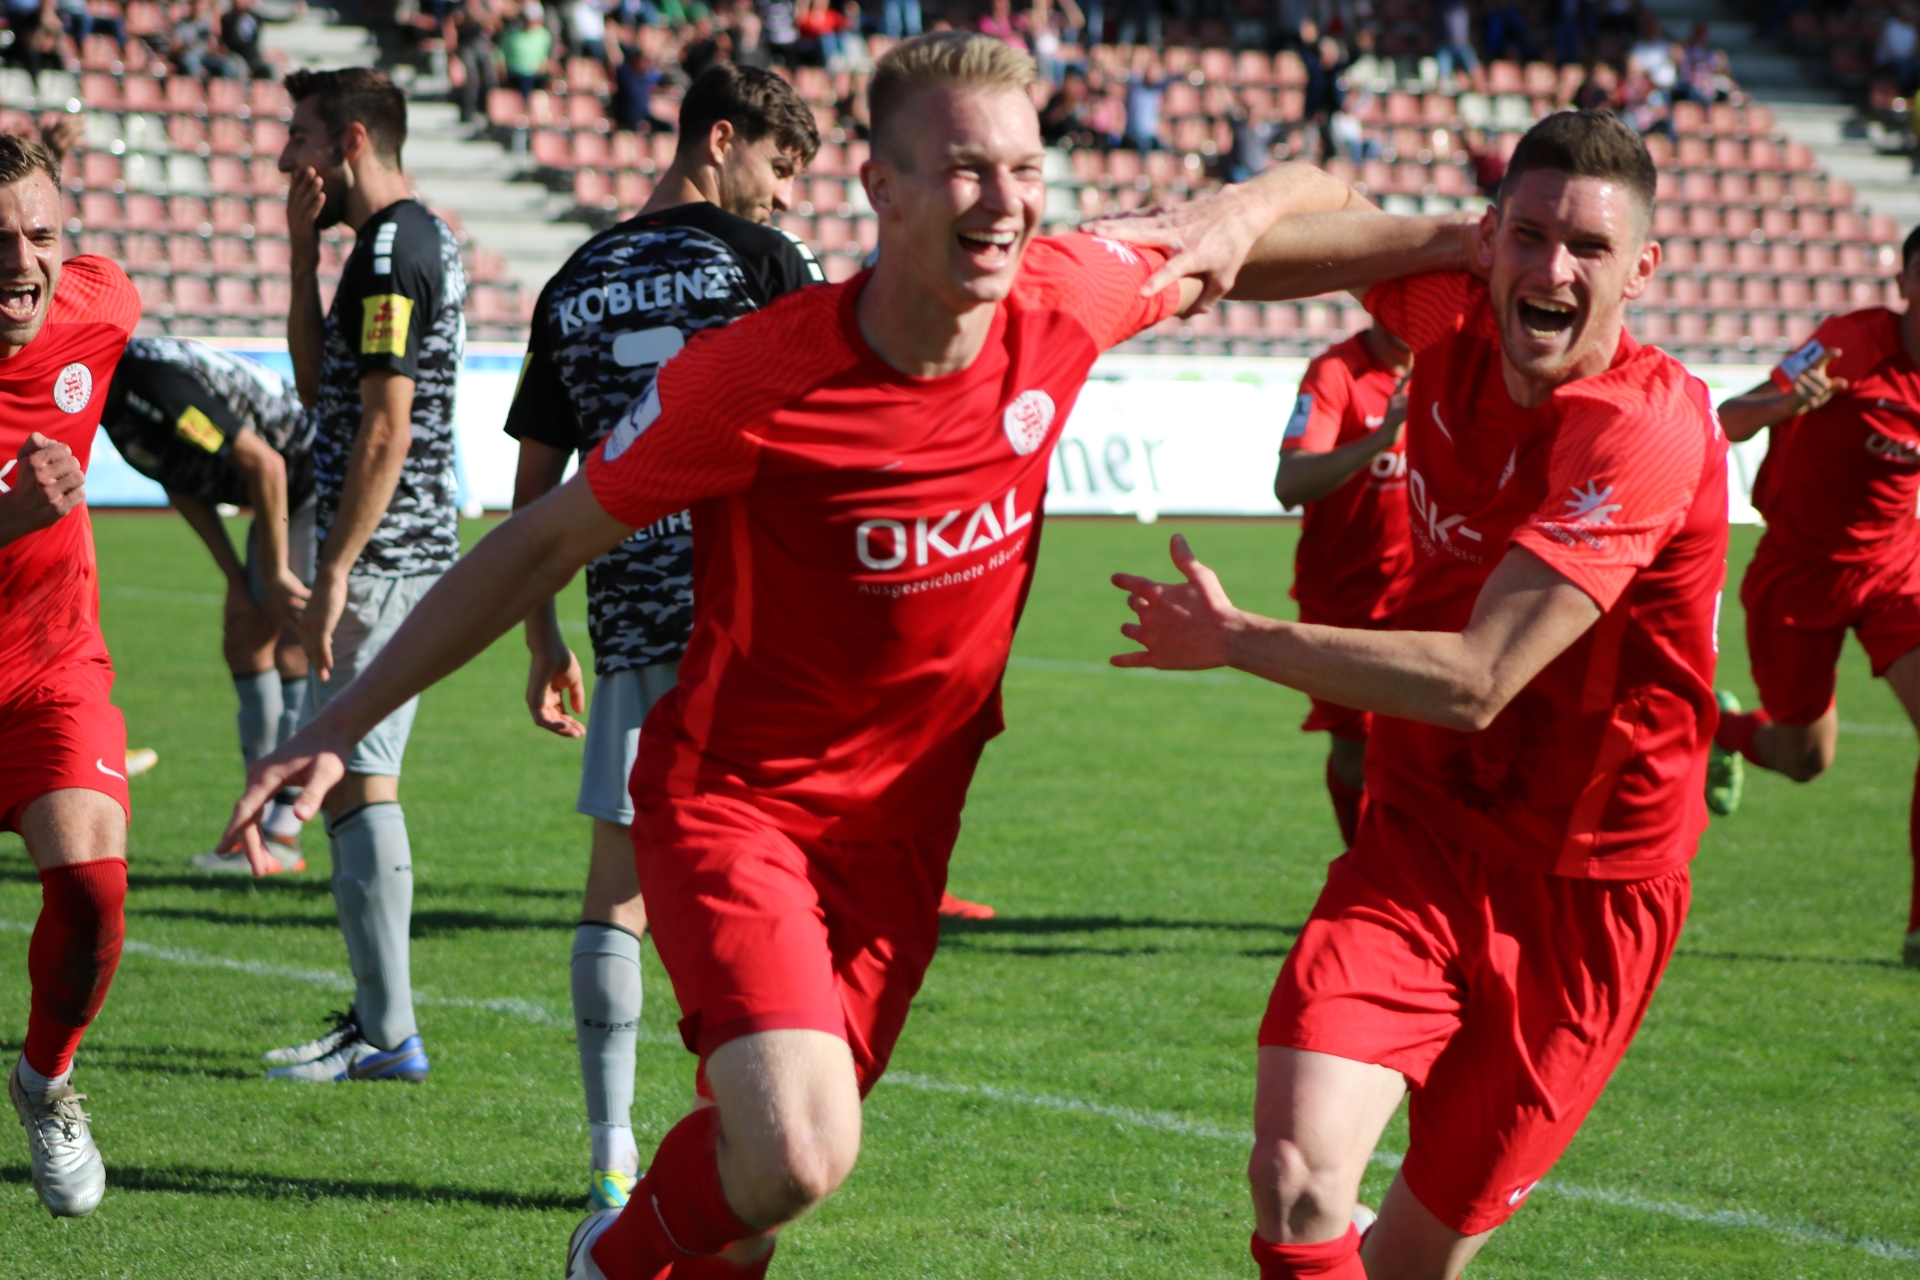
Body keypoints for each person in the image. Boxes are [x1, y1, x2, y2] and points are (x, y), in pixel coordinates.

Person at [219, 31, 1469, 1280]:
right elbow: (540, 538)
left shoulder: (1064, 297)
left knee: (759, 1188)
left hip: (906, 833)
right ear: (882, 187)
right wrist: (339, 720)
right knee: (802, 1145)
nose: (1004, 201)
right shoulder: (757, 378)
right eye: (965, 168)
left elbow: (1305, 202)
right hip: (740, 805)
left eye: (1026, 169)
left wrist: (1313, 217)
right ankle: (604, 1258)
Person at [1108, 109, 1726, 1278]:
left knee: (1408, 1260)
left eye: (1589, 248)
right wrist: (1250, 206)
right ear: (1489, 240)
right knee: (1296, 1178)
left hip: (1589, 889)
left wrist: (1237, 637)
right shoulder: (1455, 310)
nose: (1554, 271)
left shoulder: (1642, 427)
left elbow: (1481, 678)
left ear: (1643, 269)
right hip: (1418, 840)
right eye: (1529, 236)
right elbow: (1269, 252)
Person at [505, 61, 824, 1213]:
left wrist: (542, 632)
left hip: (630, 617)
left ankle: (609, 1152)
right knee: (776, 883)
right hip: (757, 619)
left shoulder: (573, 280)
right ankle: (760, 1130)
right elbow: (828, 432)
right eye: (780, 167)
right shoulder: (766, 263)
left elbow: (536, 489)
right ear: (720, 140)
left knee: (617, 895)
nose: (784, 196)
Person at [262, 67, 466, 1085]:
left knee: (354, 776)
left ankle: (388, 1034)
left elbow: (388, 427)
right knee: (345, 774)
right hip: (382, 546)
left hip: (383, 553)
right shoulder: (381, 246)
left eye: (299, 137)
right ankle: (382, 1027)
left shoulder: (394, 250)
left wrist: (338, 563)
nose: (284, 159)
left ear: (350, 141)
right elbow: (320, 386)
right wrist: (303, 254)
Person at [1709, 226, 1920, 967]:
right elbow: (1729, 420)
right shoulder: (1845, 346)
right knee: (1803, 759)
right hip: (1798, 574)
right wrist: (1789, 402)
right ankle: (1720, 729)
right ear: (1904, 285)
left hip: (1896, 571)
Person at [0, 132, 141, 1219]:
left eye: (40, 234)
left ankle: (45, 1080)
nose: (21, 262)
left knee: (94, 889)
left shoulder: (102, 305)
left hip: (49, 668)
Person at [98, 336, 318, 874]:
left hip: (317, 478)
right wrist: (236, 581)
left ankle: (280, 837)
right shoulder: (107, 400)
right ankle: (255, 824)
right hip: (282, 489)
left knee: (293, 640)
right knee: (245, 634)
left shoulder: (157, 380)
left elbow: (267, 464)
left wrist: (272, 572)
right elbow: (179, 483)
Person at [1272, 325, 1413, 849]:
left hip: (1427, 597)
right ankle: (1363, 864)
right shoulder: (1337, 372)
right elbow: (1290, 484)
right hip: (1345, 601)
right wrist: (1379, 440)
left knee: (1432, 753)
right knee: (1356, 756)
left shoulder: (1460, 368)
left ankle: (1406, 879)